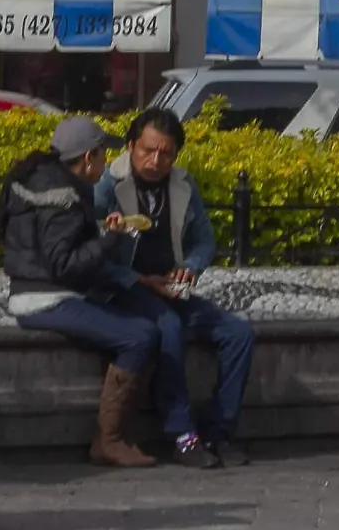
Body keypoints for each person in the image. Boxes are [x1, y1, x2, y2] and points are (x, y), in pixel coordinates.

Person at [95, 108, 255, 468]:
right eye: (147, 151)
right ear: (131, 146)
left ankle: (220, 431)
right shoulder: (108, 184)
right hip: (126, 288)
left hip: (171, 286)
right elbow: (88, 247)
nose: (155, 161)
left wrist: (189, 268)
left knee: (238, 334)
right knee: (167, 326)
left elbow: (204, 241)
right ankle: (182, 434)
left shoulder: (183, 184)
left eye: (165, 153)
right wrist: (113, 239)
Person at [0, 117, 160, 468]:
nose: (106, 165)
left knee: (128, 323)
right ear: (88, 158)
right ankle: (110, 440)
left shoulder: (37, 179)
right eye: (103, 156)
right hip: (46, 298)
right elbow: (64, 264)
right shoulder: (65, 197)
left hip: (32, 290)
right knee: (139, 335)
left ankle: (113, 436)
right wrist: (111, 239)